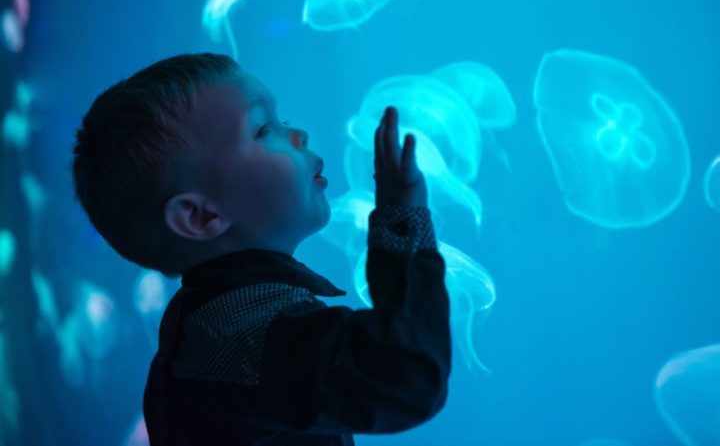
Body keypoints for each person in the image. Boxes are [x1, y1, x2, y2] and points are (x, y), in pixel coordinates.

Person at [71, 53, 450, 445]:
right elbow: (408, 375)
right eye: (263, 129)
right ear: (200, 217)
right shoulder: (247, 339)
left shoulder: (208, 326)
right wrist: (402, 221)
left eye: (282, 120)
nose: (298, 133)